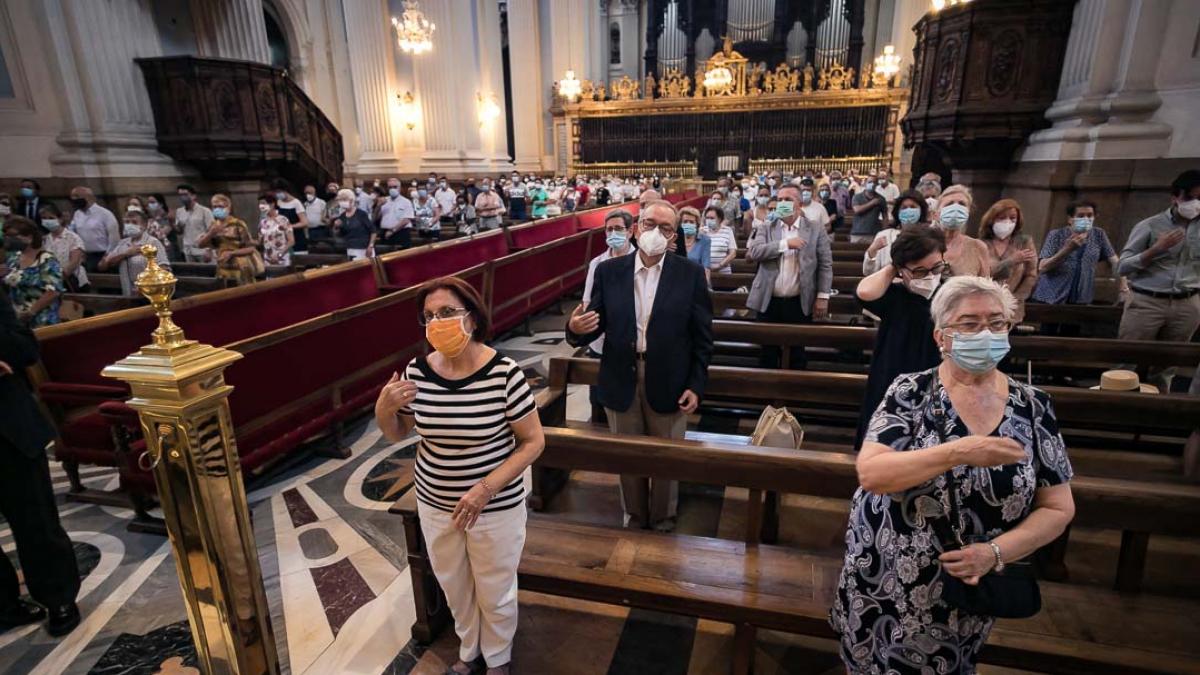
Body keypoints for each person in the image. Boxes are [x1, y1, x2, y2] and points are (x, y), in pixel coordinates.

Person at [831, 275, 1075, 674]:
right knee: (872, 660)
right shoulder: (910, 391)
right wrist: (959, 451)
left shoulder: (1033, 406)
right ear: (941, 337)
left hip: (971, 578)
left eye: (996, 323)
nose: (986, 333)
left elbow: (1058, 506)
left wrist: (995, 553)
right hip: (886, 572)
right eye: (969, 324)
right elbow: (872, 473)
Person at [374, 276, 543, 675]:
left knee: (495, 585)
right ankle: (470, 649)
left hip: (493, 504)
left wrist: (485, 489)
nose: (437, 322)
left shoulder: (504, 373)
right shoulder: (418, 371)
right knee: (454, 583)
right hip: (436, 501)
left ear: (472, 317)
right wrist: (384, 409)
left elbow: (533, 442)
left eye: (447, 312)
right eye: (429, 315)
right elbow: (400, 431)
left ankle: (498, 656)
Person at [565, 200, 713, 531]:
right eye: (649, 224)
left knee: (667, 456)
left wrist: (695, 384)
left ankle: (663, 517)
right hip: (621, 374)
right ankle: (634, 515)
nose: (655, 232)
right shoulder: (609, 271)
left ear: (673, 236)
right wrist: (574, 329)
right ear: (636, 228)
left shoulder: (689, 274)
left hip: (670, 377)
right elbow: (593, 325)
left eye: (665, 227)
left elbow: (702, 337)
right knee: (626, 455)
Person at [0, 293, 82, 636]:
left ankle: (58, 597)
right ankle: (5, 605)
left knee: (35, 521)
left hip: (8, 430)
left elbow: (25, 349)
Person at [854, 226, 947, 449]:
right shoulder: (894, 296)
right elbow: (865, 292)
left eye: (936, 267)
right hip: (893, 372)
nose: (930, 276)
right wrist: (892, 267)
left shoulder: (948, 294)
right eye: (919, 271)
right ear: (901, 270)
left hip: (936, 372)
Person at [1116, 169, 1200, 392]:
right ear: (1175, 197)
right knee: (1127, 362)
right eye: (1190, 197)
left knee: (1167, 365)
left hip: (1187, 303)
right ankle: (1118, 405)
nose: (1195, 204)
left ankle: (1158, 407)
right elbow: (1122, 266)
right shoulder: (1150, 225)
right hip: (1147, 301)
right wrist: (1155, 250)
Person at [746, 185, 833, 369]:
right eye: (780, 200)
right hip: (769, 299)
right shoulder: (766, 227)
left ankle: (794, 385)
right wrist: (785, 244)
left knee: (796, 352)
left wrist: (823, 297)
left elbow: (825, 265)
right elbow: (755, 252)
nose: (783, 203)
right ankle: (767, 386)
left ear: (799, 204)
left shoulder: (815, 228)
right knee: (767, 352)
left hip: (798, 300)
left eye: (788, 200)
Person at [1031, 201, 1126, 311]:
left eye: (1089, 215)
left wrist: (1123, 288)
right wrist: (1067, 250)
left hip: (1081, 299)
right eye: (1081, 216)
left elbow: (1114, 261)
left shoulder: (1098, 235)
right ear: (1070, 219)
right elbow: (1043, 267)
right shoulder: (1056, 235)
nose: (1086, 219)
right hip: (1051, 298)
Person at [582, 210, 636, 357]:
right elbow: (588, 302)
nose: (613, 233)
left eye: (618, 229)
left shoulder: (640, 261)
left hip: (631, 339)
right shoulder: (597, 263)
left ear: (630, 231)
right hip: (601, 340)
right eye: (609, 229)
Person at [980, 199, 1039, 322]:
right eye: (1002, 218)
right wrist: (1011, 261)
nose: (1007, 222)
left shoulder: (1024, 242)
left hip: (1012, 308)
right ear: (991, 219)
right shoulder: (981, 244)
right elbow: (981, 274)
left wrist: (1015, 299)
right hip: (983, 303)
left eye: (1012, 218)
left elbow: (1031, 275)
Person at [3, 217, 63, 326]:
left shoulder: (47, 259)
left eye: (13, 235)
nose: (9, 239)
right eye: (6, 235)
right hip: (16, 320)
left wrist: (30, 312)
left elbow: (53, 292)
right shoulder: (13, 258)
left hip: (41, 319)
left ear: (29, 237)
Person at [98, 211, 171, 296]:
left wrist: (148, 287)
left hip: (149, 292)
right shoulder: (123, 243)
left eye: (134, 222)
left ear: (144, 225)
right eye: (127, 222)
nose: (130, 225)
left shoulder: (153, 242)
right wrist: (125, 254)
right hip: (128, 292)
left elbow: (163, 268)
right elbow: (103, 266)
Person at [196, 194, 257, 286]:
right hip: (223, 269)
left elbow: (251, 249)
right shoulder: (214, 225)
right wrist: (211, 234)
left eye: (220, 206)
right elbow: (200, 245)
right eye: (214, 207)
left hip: (240, 268)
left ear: (228, 208)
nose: (217, 209)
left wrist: (232, 253)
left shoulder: (238, 224)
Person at [863, 190, 928, 275]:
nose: (908, 210)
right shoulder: (884, 235)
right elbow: (868, 272)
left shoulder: (928, 237)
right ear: (898, 212)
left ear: (921, 211)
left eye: (913, 207)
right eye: (904, 207)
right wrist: (872, 252)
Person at [934, 184, 991, 278]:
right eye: (949, 204)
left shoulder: (978, 247)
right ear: (936, 214)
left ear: (968, 212)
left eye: (962, 204)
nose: (956, 208)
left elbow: (985, 284)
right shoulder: (922, 243)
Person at [67, 186, 120, 271]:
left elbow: (114, 239)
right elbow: (73, 232)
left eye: (76, 196)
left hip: (103, 255)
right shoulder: (77, 214)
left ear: (88, 197)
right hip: (85, 256)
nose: (74, 199)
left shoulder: (105, 214)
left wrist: (107, 257)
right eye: (72, 197)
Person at [39, 203, 89, 293]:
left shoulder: (73, 238)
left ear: (60, 219)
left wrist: (57, 278)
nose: (47, 221)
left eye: (51, 218)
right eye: (44, 218)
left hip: (72, 282)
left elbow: (74, 263)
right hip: (50, 282)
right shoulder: (45, 239)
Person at [331, 189, 376, 260]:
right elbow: (338, 233)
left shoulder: (361, 214)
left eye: (344, 199)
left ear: (351, 200)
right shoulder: (342, 216)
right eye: (340, 200)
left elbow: (373, 231)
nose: (342, 202)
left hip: (365, 249)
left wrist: (370, 246)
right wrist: (336, 227)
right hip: (351, 249)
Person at [173, 184, 214, 263]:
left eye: (185, 194)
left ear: (193, 196)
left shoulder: (205, 211)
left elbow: (211, 231)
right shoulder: (179, 211)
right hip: (188, 250)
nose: (182, 197)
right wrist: (172, 222)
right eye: (180, 195)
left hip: (203, 250)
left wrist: (209, 250)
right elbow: (179, 231)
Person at [271, 179, 308, 255]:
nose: (276, 194)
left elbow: (304, 222)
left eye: (278, 191)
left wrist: (289, 226)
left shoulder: (296, 203)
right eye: (275, 192)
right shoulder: (279, 202)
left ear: (285, 190)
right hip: (283, 239)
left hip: (297, 238)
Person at [257, 195, 295, 267]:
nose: (261, 206)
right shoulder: (262, 222)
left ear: (272, 204)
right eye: (259, 204)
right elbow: (260, 242)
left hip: (282, 257)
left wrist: (280, 254)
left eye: (263, 203)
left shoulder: (283, 219)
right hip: (268, 259)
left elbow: (291, 241)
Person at [678, 207, 712, 285]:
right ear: (680, 224)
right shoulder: (675, 240)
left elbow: (706, 268)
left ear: (697, 224)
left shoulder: (705, 240)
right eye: (685, 221)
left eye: (691, 222)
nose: (688, 224)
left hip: (697, 282)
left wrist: (703, 286)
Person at [379, 178, 416, 247]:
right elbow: (376, 218)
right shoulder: (383, 201)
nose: (392, 189)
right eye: (390, 187)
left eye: (395, 187)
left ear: (400, 188)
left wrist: (392, 231)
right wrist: (378, 206)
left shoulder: (406, 202)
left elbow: (406, 220)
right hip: (385, 232)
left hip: (401, 233)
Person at [850, 178, 888, 244]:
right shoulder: (857, 197)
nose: (872, 184)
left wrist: (884, 231)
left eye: (874, 182)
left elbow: (885, 216)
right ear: (865, 183)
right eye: (869, 182)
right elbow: (857, 210)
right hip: (857, 232)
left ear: (877, 184)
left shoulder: (881, 199)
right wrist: (872, 203)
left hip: (874, 233)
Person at [704, 206, 738, 275]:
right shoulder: (702, 231)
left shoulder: (727, 230)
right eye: (707, 218)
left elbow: (733, 253)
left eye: (712, 218)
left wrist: (719, 265)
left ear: (719, 219)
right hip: (705, 271)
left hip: (723, 272)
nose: (709, 220)